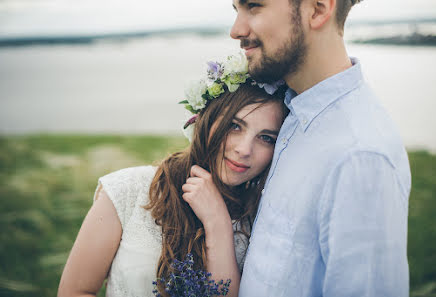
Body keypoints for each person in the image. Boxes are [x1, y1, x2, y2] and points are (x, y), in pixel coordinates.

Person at [57, 53, 287, 297]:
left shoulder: (262, 220)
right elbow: (75, 291)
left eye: (266, 138)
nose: (244, 150)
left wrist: (218, 225)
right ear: (207, 119)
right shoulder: (128, 190)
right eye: (234, 126)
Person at [230, 0, 411, 296]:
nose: (236, 30)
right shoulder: (292, 112)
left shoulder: (359, 156)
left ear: (317, 9)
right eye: (235, 10)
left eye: (254, 6)